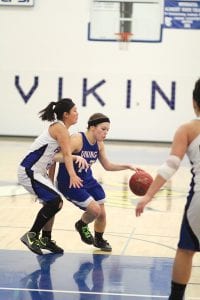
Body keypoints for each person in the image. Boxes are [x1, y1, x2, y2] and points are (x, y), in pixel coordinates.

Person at [135, 78, 200, 300]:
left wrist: (148, 195)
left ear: (194, 103)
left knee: (186, 249)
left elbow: (171, 165)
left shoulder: (188, 129)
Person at [55, 113, 137, 251]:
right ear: (92, 128)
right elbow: (56, 157)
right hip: (70, 182)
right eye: (103, 129)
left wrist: (127, 166)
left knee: (102, 214)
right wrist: (75, 157)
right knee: (95, 210)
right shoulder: (77, 139)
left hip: (88, 180)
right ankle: (81, 225)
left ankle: (98, 240)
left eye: (107, 130)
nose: (105, 133)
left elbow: (107, 166)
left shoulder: (99, 144)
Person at [18, 98, 87, 255]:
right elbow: (67, 155)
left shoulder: (62, 129)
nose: (77, 113)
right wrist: (72, 175)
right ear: (66, 114)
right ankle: (31, 235)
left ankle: (46, 239)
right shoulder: (60, 129)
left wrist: (50, 178)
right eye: (75, 110)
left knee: (53, 202)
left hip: (38, 172)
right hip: (29, 169)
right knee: (55, 201)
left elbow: (54, 157)